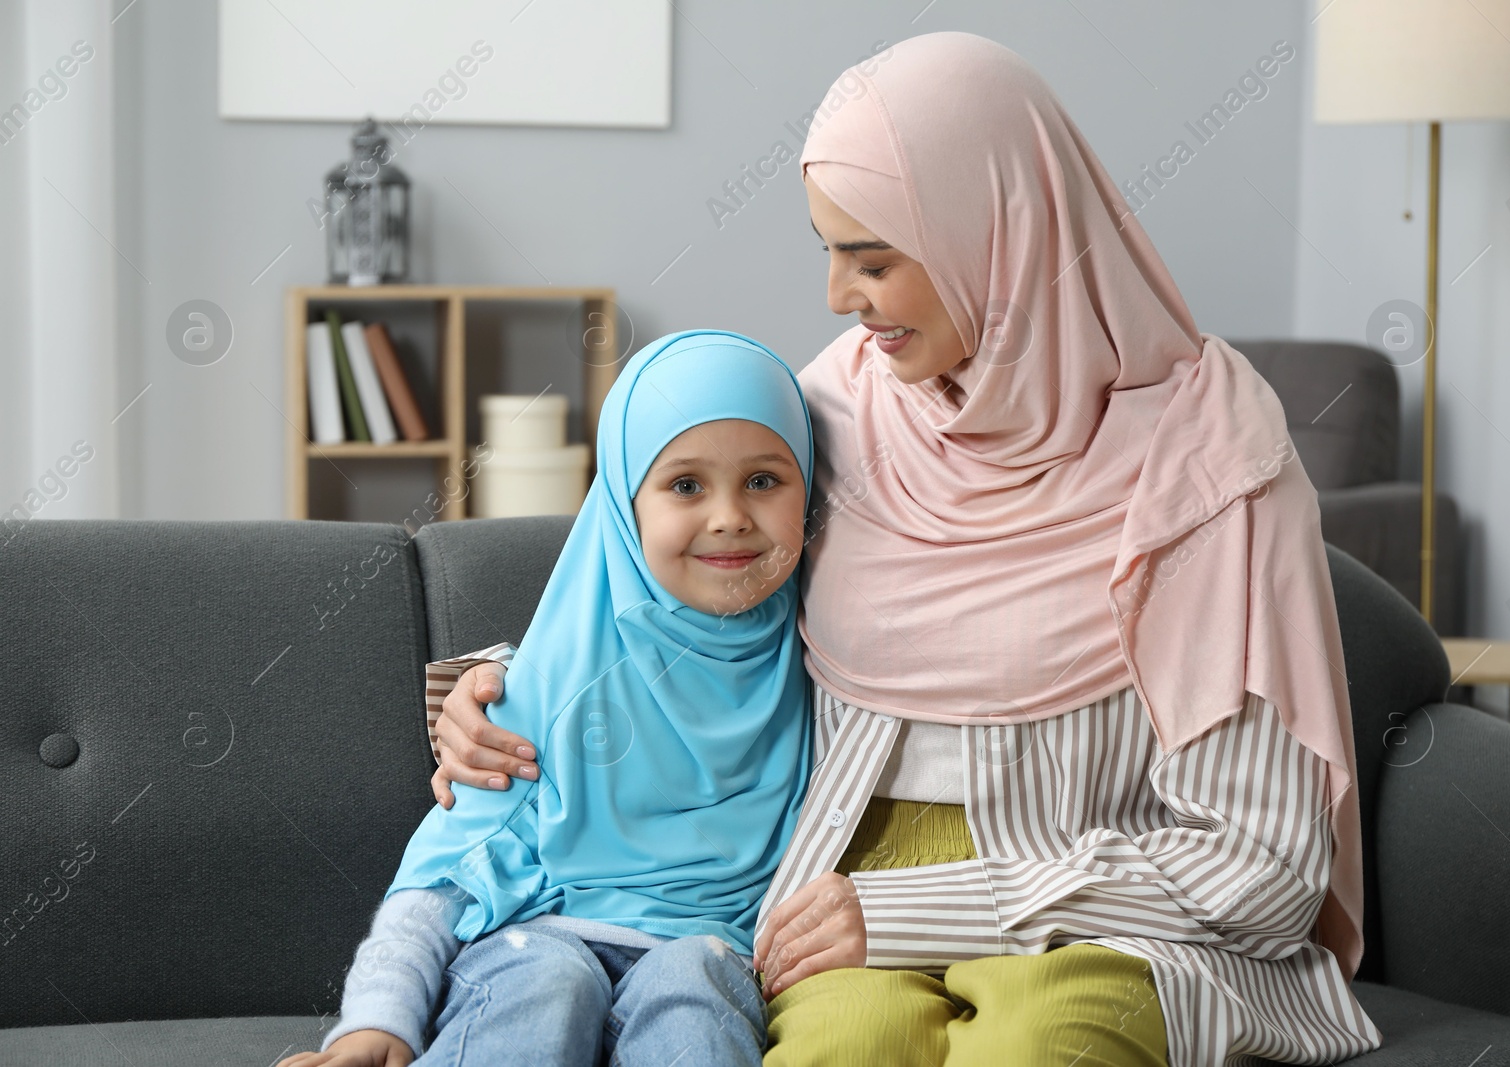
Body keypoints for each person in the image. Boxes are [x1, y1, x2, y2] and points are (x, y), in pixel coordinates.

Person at [423, 31, 1385, 1067]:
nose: (838, 295)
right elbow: (701, 594)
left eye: (873, 258)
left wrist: (922, 907)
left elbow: (1265, 866)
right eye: (827, 250)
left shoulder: (1213, 466)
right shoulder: (833, 411)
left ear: (998, 236)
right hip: (836, 896)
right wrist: (506, 688)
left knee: (1042, 1043)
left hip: (1115, 920)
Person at [285, 330, 815, 1067]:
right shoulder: (547, 683)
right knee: (550, 978)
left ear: (811, 487)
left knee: (694, 981)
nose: (728, 515)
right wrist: (378, 1018)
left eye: (764, 480)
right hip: (534, 939)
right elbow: (446, 870)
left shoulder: (831, 666)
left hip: (710, 947)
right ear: (624, 504)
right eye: (686, 485)